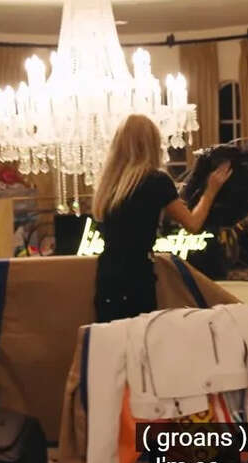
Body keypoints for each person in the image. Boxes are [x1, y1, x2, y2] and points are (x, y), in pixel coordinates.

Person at [91, 114, 232, 322]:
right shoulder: (155, 180)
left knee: (111, 336)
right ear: (152, 144)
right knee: (140, 336)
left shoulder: (110, 183)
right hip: (136, 276)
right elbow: (193, 224)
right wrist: (211, 191)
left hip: (107, 275)